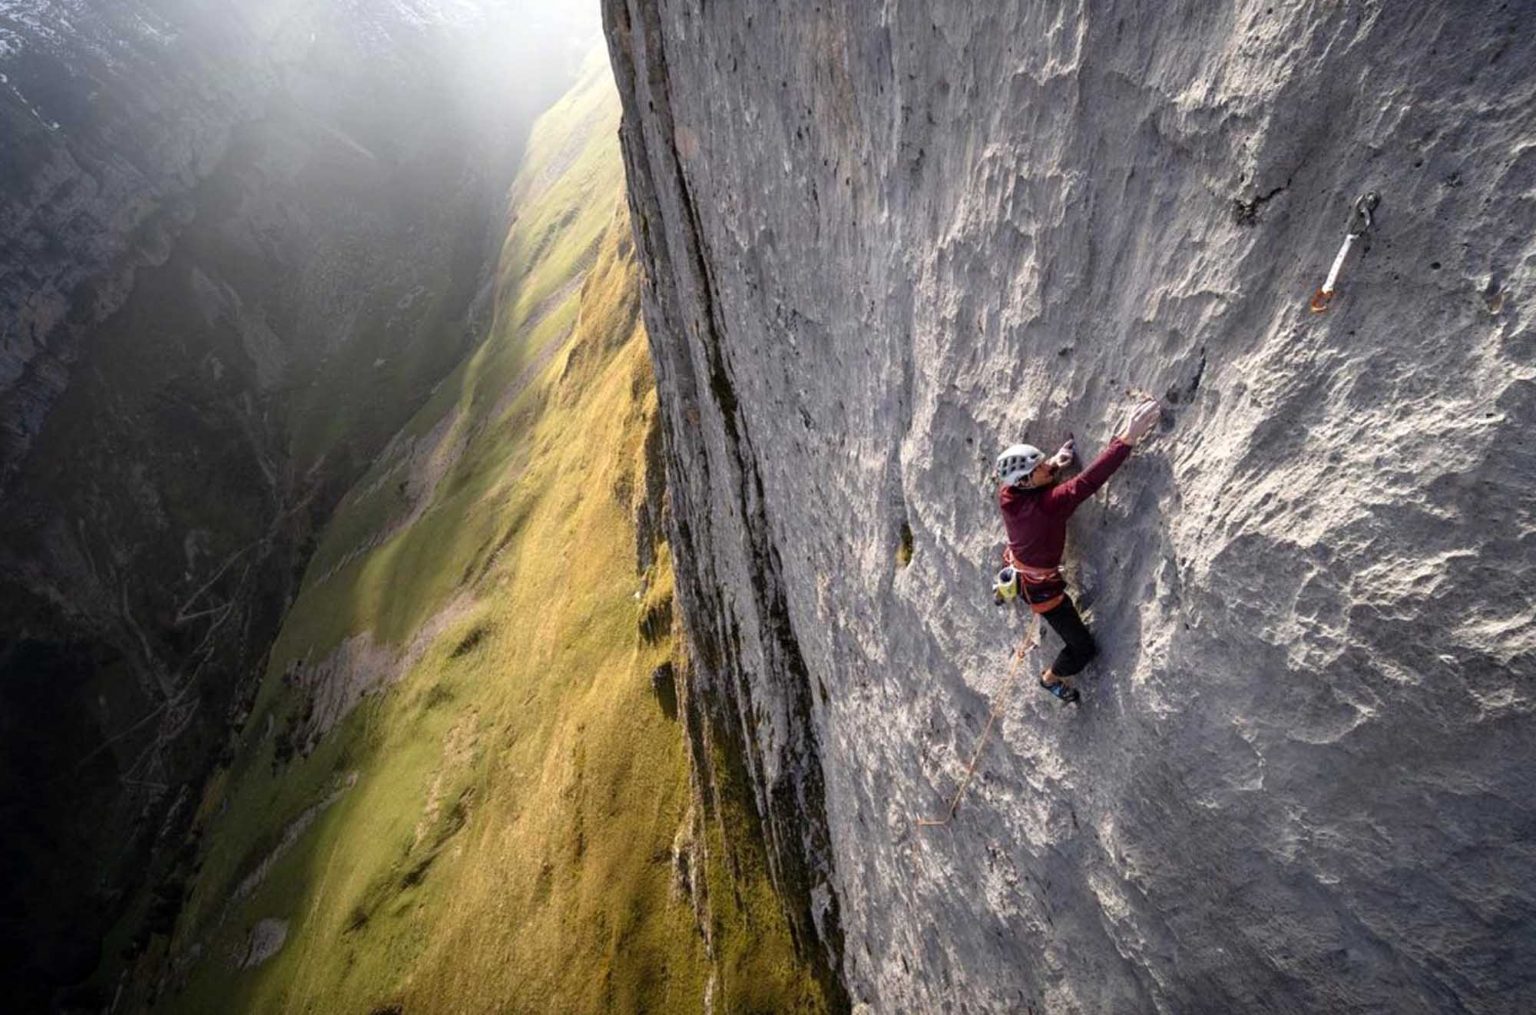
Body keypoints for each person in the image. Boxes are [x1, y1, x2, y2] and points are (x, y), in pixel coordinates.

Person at [993, 398, 1161, 704]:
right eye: (1039, 467)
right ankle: (1050, 678)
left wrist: (1055, 464)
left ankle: (1004, 590)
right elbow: (1089, 480)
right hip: (1043, 592)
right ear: (1025, 481)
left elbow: (1036, 484)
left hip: (1018, 566)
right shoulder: (1049, 506)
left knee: (1021, 577)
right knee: (1083, 649)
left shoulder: (1008, 495)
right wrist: (1127, 438)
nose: (1046, 466)